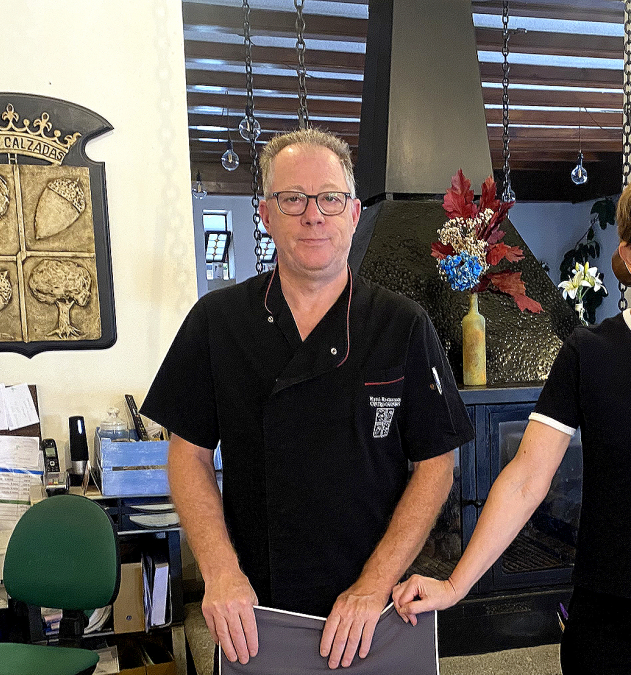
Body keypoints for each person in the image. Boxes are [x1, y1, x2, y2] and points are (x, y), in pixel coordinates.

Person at [394, 161, 631, 675]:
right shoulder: (588, 352)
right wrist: (455, 584)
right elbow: (525, 479)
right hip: (607, 617)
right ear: (629, 254)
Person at [141, 128, 474, 670]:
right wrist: (220, 571)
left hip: (379, 606)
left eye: (329, 198)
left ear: (354, 212)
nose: (313, 215)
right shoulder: (217, 321)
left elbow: (436, 463)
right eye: (292, 199)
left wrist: (373, 584)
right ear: (266, 215)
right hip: (258, 605)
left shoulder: (401, 324)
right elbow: (189, 454)